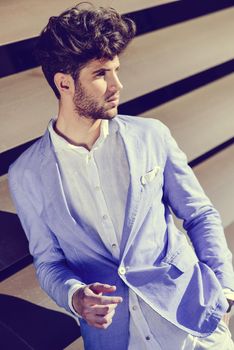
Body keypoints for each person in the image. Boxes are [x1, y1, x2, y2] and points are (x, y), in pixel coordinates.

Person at [8, 3, 234, 349]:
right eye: (101, 74)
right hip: (116, 339)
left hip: (192, 324)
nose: (117, 84)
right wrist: (75, 297)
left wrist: (225, 290)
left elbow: (200, 214)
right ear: (64, 83)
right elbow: (49, 261)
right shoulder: (26, 174)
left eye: (116, 70)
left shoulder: (151, 137)